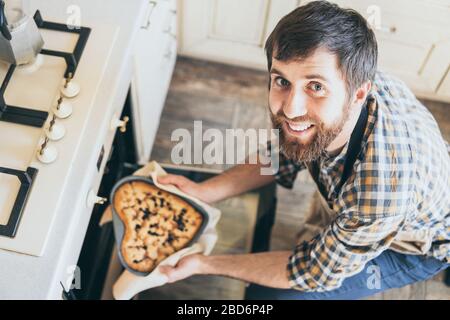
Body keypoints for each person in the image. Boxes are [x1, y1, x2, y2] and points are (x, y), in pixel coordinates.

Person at [158, 1, 450, 299]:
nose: (290, 108)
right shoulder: (346, 82)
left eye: (316, 87)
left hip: (415, 245)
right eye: (282, 80)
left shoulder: (381, 194)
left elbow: (311, 272)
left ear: (359, 94)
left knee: (268, 298)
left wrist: (203, 264)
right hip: (389, 197)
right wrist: (202, 191)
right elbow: (281, 156)